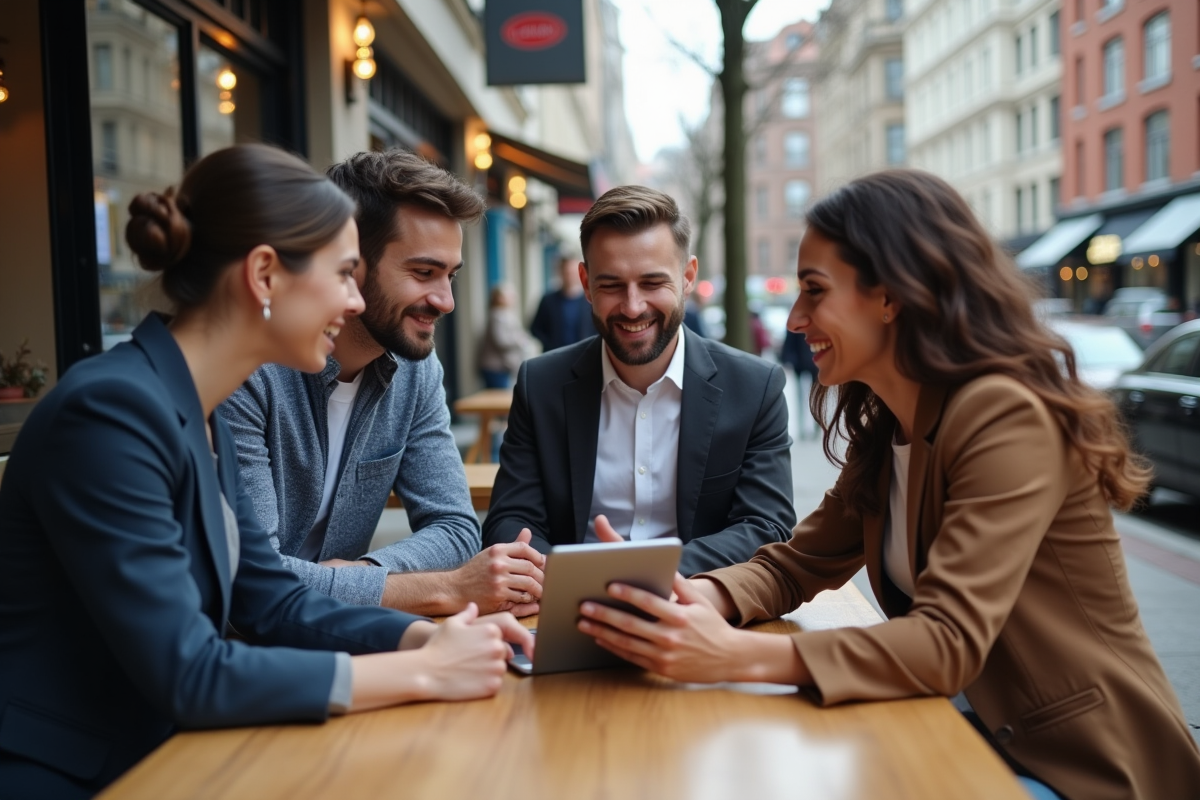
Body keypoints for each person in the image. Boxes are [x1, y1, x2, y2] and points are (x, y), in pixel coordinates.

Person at [575, 170, 1200, 800]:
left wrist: (733, 657)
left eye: (814, 292)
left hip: (1086, 765)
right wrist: (696, 598)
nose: (794, 319)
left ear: (891, 296)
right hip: (980, 732)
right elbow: (797, 563)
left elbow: (946, 642)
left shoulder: (1004, 414)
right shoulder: (893, 424)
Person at [0, 145, 532, 798]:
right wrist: (425, 672)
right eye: (342, 273)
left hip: (187, 751)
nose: (350, 298)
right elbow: (189, 672)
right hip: (83, 772)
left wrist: (427, 636)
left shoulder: (197, 406)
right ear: (264, 276)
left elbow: (270, 599)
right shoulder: (108, 412)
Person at [220, 150, 544, 617]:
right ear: (352, 265)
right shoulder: (250, 372)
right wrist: (441, 589)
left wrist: (364, 573)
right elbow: (254, 582)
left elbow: (455, 528)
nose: (447, 301)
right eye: (423, 273)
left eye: (451, 276)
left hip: (350, 634)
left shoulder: (417, 371)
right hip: (253, 653)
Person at [483, 186, 795, 576]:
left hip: (700, 608)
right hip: (573, 608)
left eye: (652, 283)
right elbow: (509, 522)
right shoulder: (539, 384)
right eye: (611, 284)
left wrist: (644, 574)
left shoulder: (755, 387)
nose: (632, 307)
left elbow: (766, 528)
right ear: (585, 282)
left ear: (688, 276)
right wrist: (577, 581)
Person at [477, 283, 537, 389]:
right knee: (498, 399)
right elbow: (501, 341)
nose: (514, 298)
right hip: (495, 367)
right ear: (500, 298)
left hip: (502, 367)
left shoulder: (505, 314)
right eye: (510, 296)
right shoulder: (497, 315)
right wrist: (520, 340)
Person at [530, 254, 594, 351]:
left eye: (572, 272)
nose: (569, 276)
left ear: (580, 273)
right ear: (560, 273)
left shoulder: (590, 301)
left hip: (584, 355)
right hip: (554, 356)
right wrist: (549, 345)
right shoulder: (548, 300)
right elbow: (535, 328)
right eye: (566, 272)